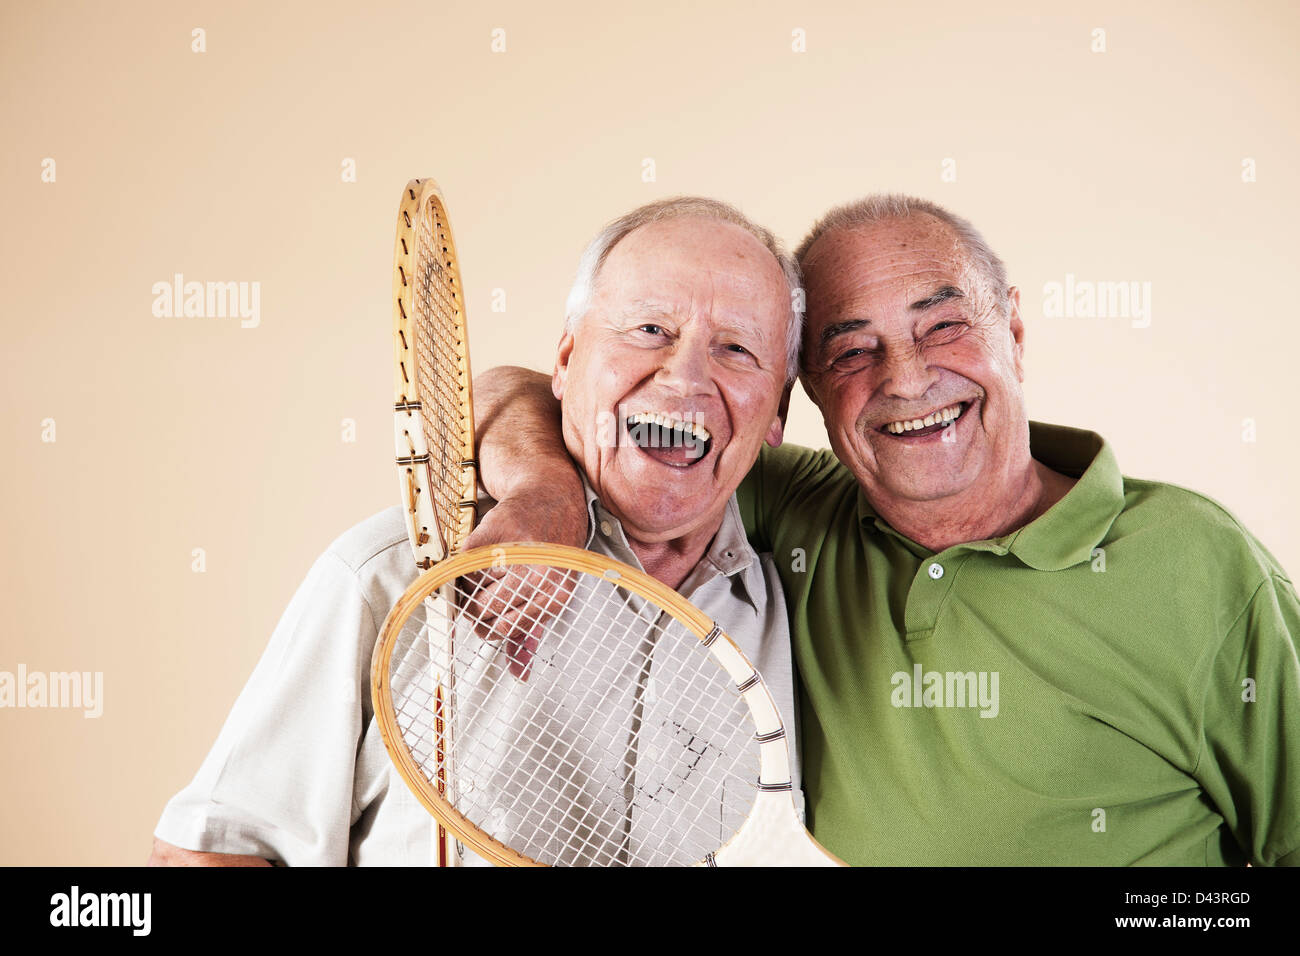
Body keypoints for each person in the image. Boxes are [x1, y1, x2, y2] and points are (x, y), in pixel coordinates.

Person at [473, 194, 1300, 866]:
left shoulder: (1200, 563)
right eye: (852, 351)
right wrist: (548, 498)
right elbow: (531, 394)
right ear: (803, 402)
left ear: (1012, 332)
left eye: (943, 326)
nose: (907, 380)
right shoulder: (781, 507)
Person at [149, 197, 806, 866]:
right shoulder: (391, 574)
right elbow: (211, 852)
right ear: (566, 362)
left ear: (778, 412)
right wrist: (546, 492)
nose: (686, 375)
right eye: (648, 330)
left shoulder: (808, 611)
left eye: (736, 348)